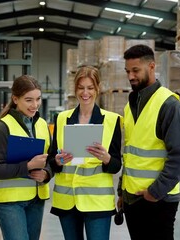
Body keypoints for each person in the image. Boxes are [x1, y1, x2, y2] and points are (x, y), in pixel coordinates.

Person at [117, 44, 180, 240]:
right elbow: (130, 154)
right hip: (133, 198)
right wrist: (122, 191)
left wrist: (154, 192)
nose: (130, 76)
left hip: (159, 199)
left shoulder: (169, 105)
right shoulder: (130, 106)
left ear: (151, 66)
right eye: (127, 71)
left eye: (135, 70)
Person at [48, 65, 123, 240]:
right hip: (67, 201)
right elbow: (52, 159)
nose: (85, 93)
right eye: (81, 88)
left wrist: (106, 158)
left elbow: (116, 165)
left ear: (98, 88)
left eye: (90, 88)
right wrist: (58, 161)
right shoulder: (62, 118)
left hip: (97, 203)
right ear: (75, 89)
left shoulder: (112, 121)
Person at [0, 75, 52, 240]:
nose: (35, 105)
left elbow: (49, 159)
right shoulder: (2, 128)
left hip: (36, 199)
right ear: (15, 99)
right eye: (29, 100)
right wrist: (28, 166)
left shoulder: (42, 124)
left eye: (38, 99)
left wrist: (46, 173)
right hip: (10, 202)